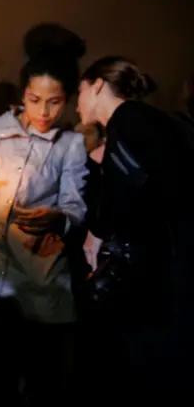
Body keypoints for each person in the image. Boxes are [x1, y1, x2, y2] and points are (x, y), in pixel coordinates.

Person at [0, 23, 89, 404]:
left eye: (55, 102)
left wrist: (57, 218)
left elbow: (76, 207)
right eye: (33, 99)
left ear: (68, 99)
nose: (43, 111)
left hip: (38, 274)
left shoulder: (70, 144)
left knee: (40, 380)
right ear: (22, 94)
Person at [77, 56, 193, 402]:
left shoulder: (128, 120)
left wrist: (96, 233)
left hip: (162, 283)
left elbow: (128, 197)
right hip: (172, 275)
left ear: (97, 85)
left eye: (80, 92)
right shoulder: (150, 124)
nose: (77, 102)